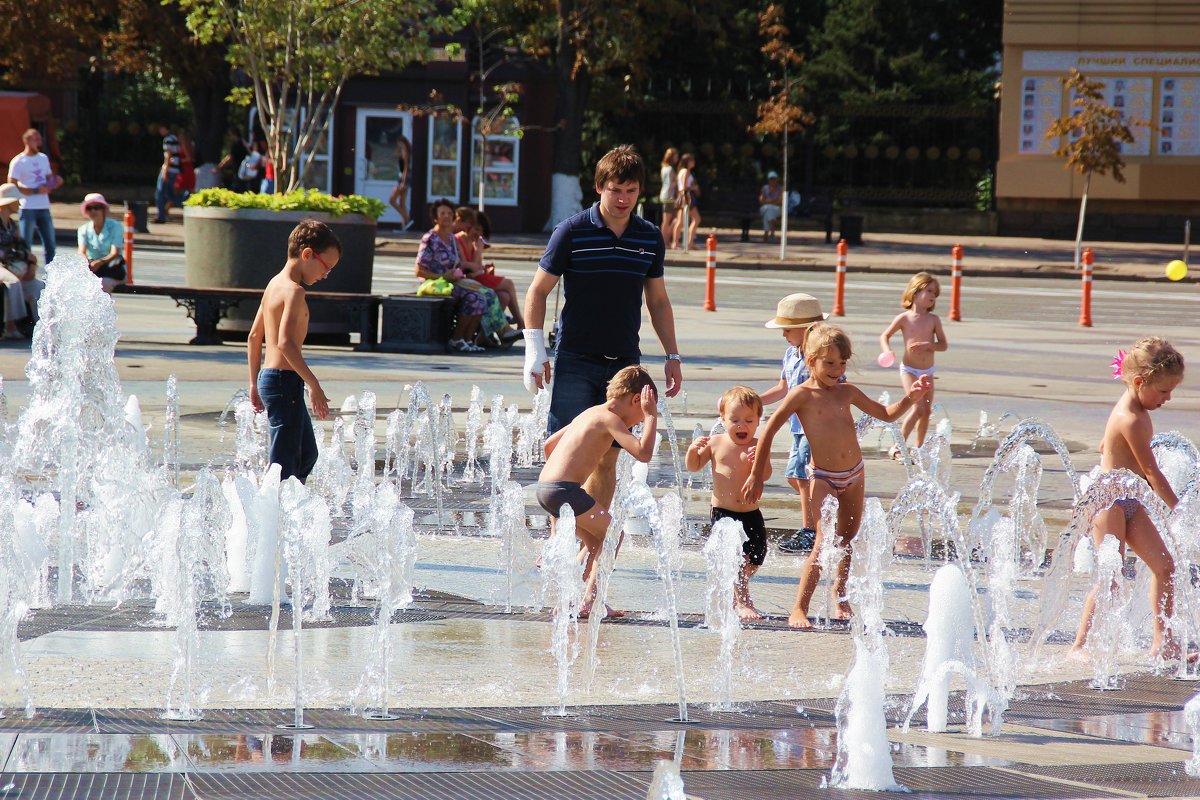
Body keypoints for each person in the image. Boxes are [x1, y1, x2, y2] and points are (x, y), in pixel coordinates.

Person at [523, 144, 682, 548]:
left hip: (624, 364)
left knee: (610, 454)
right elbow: (538, 291)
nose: (623, 198)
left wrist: (672, 356)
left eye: (631, 191)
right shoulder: (572, 231)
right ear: (599, 187)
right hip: (576, 357)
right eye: (616, 189)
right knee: (565, 452)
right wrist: (535, 349)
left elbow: (658, 301)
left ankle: (591, 542)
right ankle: (558, 541)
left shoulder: (648, 237)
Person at [743, 325, 930, 629]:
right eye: (829, 363)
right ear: (810, 360)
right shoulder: (800, 395)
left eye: (842, 363)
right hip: (824, 477)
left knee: (847, 540)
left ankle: (840, 595)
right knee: (822, 541)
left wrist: (912, 397)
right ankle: (798, 608)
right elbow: (769, 431)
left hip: (854, 475)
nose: (837, 369)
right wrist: (756, 474)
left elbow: (886, 414)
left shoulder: (848, 391)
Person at [1072, 337, 1184, 660]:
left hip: (1130, 500)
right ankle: (1078, 645)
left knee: (1165, 567)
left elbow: (1107, 446)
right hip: (1109, 502)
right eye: (1163, 391)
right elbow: (1152, 472)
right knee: (1111, 578)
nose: (1168, 398)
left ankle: (1164, 643)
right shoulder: (1131, 418)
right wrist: (1179, 508)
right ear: (1139, 382)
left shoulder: (1133, 410)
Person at [535, 365, 658, 617]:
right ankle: (591, 600)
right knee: (615, 535)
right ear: (637, 400)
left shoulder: (589, 413)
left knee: (594, 541)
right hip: (564, 491)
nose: (638, 422)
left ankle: (572, 599)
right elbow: (643, 453)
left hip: (546, 488)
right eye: (640, 416)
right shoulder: (610, 420)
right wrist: (652, 417)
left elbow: (549, 446)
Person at [247, 220, 341, 483]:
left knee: (307, 454)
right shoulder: (294, 291)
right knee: (283, 465)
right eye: (326, 268)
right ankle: (272, 511)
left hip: (273, 379)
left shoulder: (273, 284)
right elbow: (285, 343)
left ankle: (285, 508)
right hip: (283, 381)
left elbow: (255, 337)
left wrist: (254, 383)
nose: (325, 275)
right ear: (307, 254)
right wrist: (314, 385)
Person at [686, 386, 770, 620]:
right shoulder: (716, 442)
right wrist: (693, 450)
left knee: (756, 557)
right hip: (723, 513)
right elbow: (694, 466)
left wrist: (759, 463)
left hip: (751, 511)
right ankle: (743, 601)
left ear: (758, 421)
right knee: (737, 558)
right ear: (722, 419)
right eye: (734, 420)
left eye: (748, 420)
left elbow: (767, 474)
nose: (741, 426)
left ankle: (737, 588)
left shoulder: (758, 444)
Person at [756, 293, 829, 554]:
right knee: (794, 477)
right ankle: (823, 519)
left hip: (816, 427)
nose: (783, 334)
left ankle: (811, 529)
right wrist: (754, 401)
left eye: (787, 329)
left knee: (803, 477)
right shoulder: (790, 354)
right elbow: (782, 388)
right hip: (797, 427)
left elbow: (834, 387)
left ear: (807, 329)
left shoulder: (820, 357)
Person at [879, 272, 947, 456]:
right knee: (918, 407)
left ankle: (919, 448)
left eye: (936, 293)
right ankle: (898, 446)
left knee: (926, 412)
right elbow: (885, 335)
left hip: (928, 370)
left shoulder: (933, 320)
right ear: (915, 292)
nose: (933, 296)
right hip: (909, 370)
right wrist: (887, 351)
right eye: (929, 291)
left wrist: (928, 345)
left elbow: (943, 345)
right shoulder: (904, 318)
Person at [416, 199, 487, 352]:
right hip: (435, 285)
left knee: (481, 297)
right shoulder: (430, 239)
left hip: (452, 283)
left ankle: (466, 340)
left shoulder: (451, 239)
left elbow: (458, 264)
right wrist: (442, 276)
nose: (447, 216)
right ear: (435, 218)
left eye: (449, 213)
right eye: (442, 213)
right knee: (473, 298)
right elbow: (419, 271)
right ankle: (456, 338)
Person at [454, 206, 524, 334]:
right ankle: (521, 323)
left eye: (481, 231)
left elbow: (477, 267)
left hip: (475, 278)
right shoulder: (459, 239)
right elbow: (470, 268)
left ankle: (485, 336)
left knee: (504, 296)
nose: (478, 234)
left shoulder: (473, 241)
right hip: (468, 281)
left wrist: (485, 269)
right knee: (508, 283)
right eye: (476, 229)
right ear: (468, 225)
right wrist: (479, 251)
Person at [8, 128, 61, 265]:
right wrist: (35, 190)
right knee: (26, 244)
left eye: (39, 138)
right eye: (35, 138)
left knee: (50, 244)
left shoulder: (43, 158)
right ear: (26, 141)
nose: (38, 141)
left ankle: (50, 276)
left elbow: (49, 179)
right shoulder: (19, 161)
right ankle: (26, 271)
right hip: (28, 206)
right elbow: (12, 185)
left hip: (44, 205)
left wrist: (55, 182)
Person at [0, 183, 43, 338]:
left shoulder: (12, 225)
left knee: (38, 286)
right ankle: (10, 327)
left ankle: (42, 328)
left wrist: (31, 263)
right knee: (13, 283)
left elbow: (24, 249)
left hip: (12, 265)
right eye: (16, 200)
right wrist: (22, 257)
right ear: (6, 203)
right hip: (2, 266)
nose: (19, 203)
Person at [76, 193, 127, 293]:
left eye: (97, 207)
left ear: (103, 209)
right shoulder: (83, 229)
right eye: (89, 208)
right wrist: (87, 262)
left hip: (112, 270)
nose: (93, 211)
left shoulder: (116, 226)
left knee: (103, 283)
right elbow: (81, 252)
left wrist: (100, 262)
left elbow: (115, 252)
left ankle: (105, 309)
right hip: (92, 269)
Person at [670, 152, 701, 250]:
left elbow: (679, 186)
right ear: (688, 161)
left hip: (681, 196)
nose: (694, 162)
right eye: (692, 160)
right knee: (696, 219)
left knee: (680, 221)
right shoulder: (686, 171)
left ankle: (675, 243)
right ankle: (689, 242)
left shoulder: (680, 171)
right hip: (686, 197)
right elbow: (684, 187)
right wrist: (694, 187)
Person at [155, 125, 182, 224]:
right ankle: (186, 203)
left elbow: (168, 154)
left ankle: (161, 216)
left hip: (169, 169)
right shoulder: (175, 138)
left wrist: (165, 170)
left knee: (160, 193)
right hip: (175, 170)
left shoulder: (168, 139)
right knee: (170, 194)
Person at [389, 134, 413, 230]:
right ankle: (404, 226)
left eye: (399, 143)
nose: (397, 144)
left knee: (392, 200)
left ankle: (407, 218)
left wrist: (403, 182)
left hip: (404, 179)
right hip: (403, 179)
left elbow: (406, 168)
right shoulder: (403, 151)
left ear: (402, 142)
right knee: (402, 202)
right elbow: (393, 155)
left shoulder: (405, 151)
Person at [658, 148, 679, 246]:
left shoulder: (663, 167)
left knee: (667, 219)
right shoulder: (670, 169)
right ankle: (665, 241)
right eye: (675, 156)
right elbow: (671, 184)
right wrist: (677, 181)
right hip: (669, 196)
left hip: (664, 194)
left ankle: (665, 240)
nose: (677, 158)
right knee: (667, 220)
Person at [759, 171, 784, 242]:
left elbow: (780, 201)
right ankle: (772, 233)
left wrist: (768, 201)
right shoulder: (764, 188)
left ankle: (766, 233)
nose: (772, 180)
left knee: (768, 211)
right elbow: (762, 201)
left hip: (776, 209)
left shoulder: (780, 189)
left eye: (774, 178)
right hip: (765, 208)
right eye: (771, 178)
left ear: (776, 179)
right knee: (769, 208)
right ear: (768, 179)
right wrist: (773, 201)